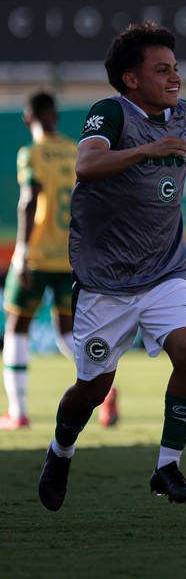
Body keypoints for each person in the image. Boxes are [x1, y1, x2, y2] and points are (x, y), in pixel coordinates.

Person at [37, 21, 186, 511]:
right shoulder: (111, 112)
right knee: (93, 389)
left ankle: (167, 466)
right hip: (105, 282)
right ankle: (60, 451)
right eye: (161, 70)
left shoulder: (181, 114)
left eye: (176, 69)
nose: (174, 78)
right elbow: (87, 165)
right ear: (131, 79)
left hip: (165, 271)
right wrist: (147, 149)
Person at [1, 92, 78, 430]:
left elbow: (29, 199)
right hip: (71, 257)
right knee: (68, 332)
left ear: (26, 119)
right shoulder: (76, 151)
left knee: (17, 327)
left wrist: (21, 250)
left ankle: (18, 413)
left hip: (37, 256)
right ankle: (105, 390)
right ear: (56, 115)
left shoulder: (30, 153)